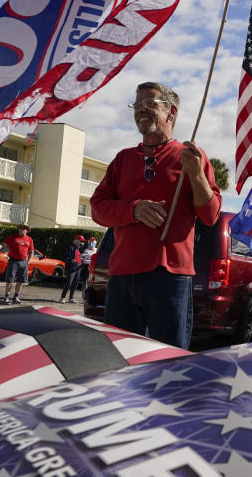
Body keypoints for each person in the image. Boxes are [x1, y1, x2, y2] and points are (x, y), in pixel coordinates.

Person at [91, 82, 221, 349]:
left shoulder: (192, 157)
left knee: (168, 361)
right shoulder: (122, 160)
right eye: (137, 105)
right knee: (118, 358)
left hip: (170, 278)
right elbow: (98, 208)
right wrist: (133, 209)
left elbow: (210, 216)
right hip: (122, 277)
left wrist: (196, 175)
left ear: (171, 112)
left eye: (149, 103)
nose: (141, 110)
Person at [0, 223, 33, 304]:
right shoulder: (12, 237)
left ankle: (16, 297)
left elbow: (31, 252)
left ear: (27, 231)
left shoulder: (29, 239)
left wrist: (27, 263)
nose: (22, 229)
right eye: (20, 228)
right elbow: (3, 246)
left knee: (20, 281)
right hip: (13, 261)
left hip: (23, 262)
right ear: (18, 229)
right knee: (10, 280)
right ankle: (6, 297)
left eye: (24, 228)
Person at [58, 235, 85, 303]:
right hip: (73, 268)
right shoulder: (71, 248)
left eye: (82, 242)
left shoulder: (77, 249)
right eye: (81, 241)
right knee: (69, 283)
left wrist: (81, 258)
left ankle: (71, 298)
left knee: (75, 283)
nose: (82, 243)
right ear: (77, 241)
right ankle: (62, 297)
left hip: (78, 267)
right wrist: (71, 260)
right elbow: (66, 257)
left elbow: (78, 257)